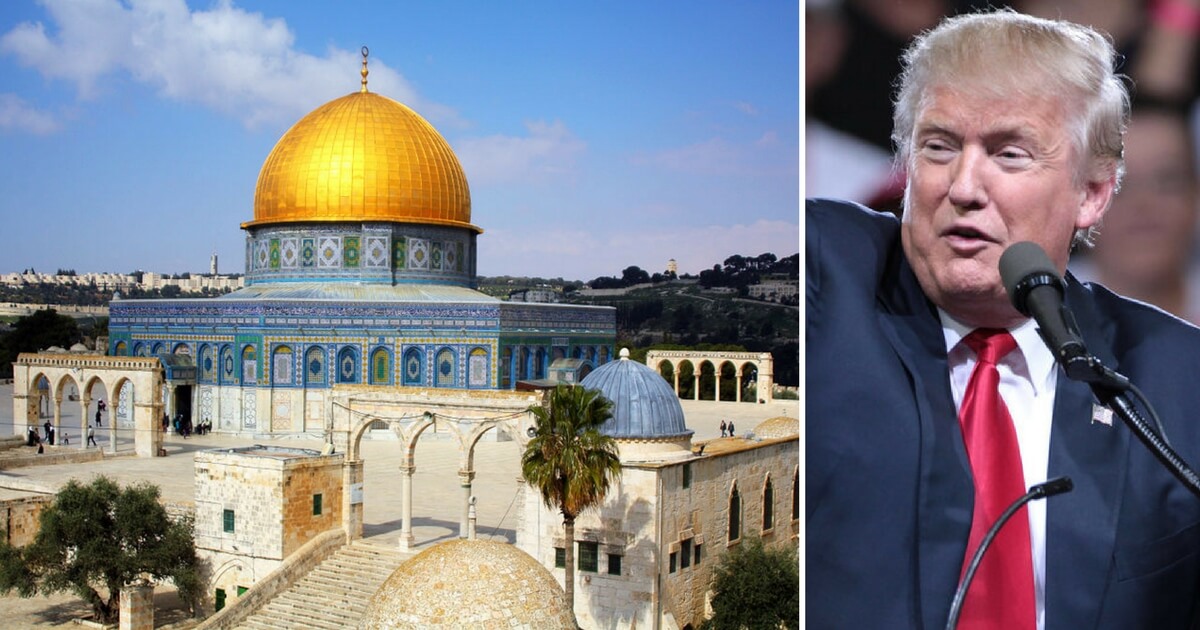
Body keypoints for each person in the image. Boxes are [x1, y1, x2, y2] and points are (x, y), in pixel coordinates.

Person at [807, 9, 1200, 629]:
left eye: (1009, 154)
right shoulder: (827, 284)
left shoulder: (1179, 379)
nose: (964, 187)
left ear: (1092, 192)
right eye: (938, 147)